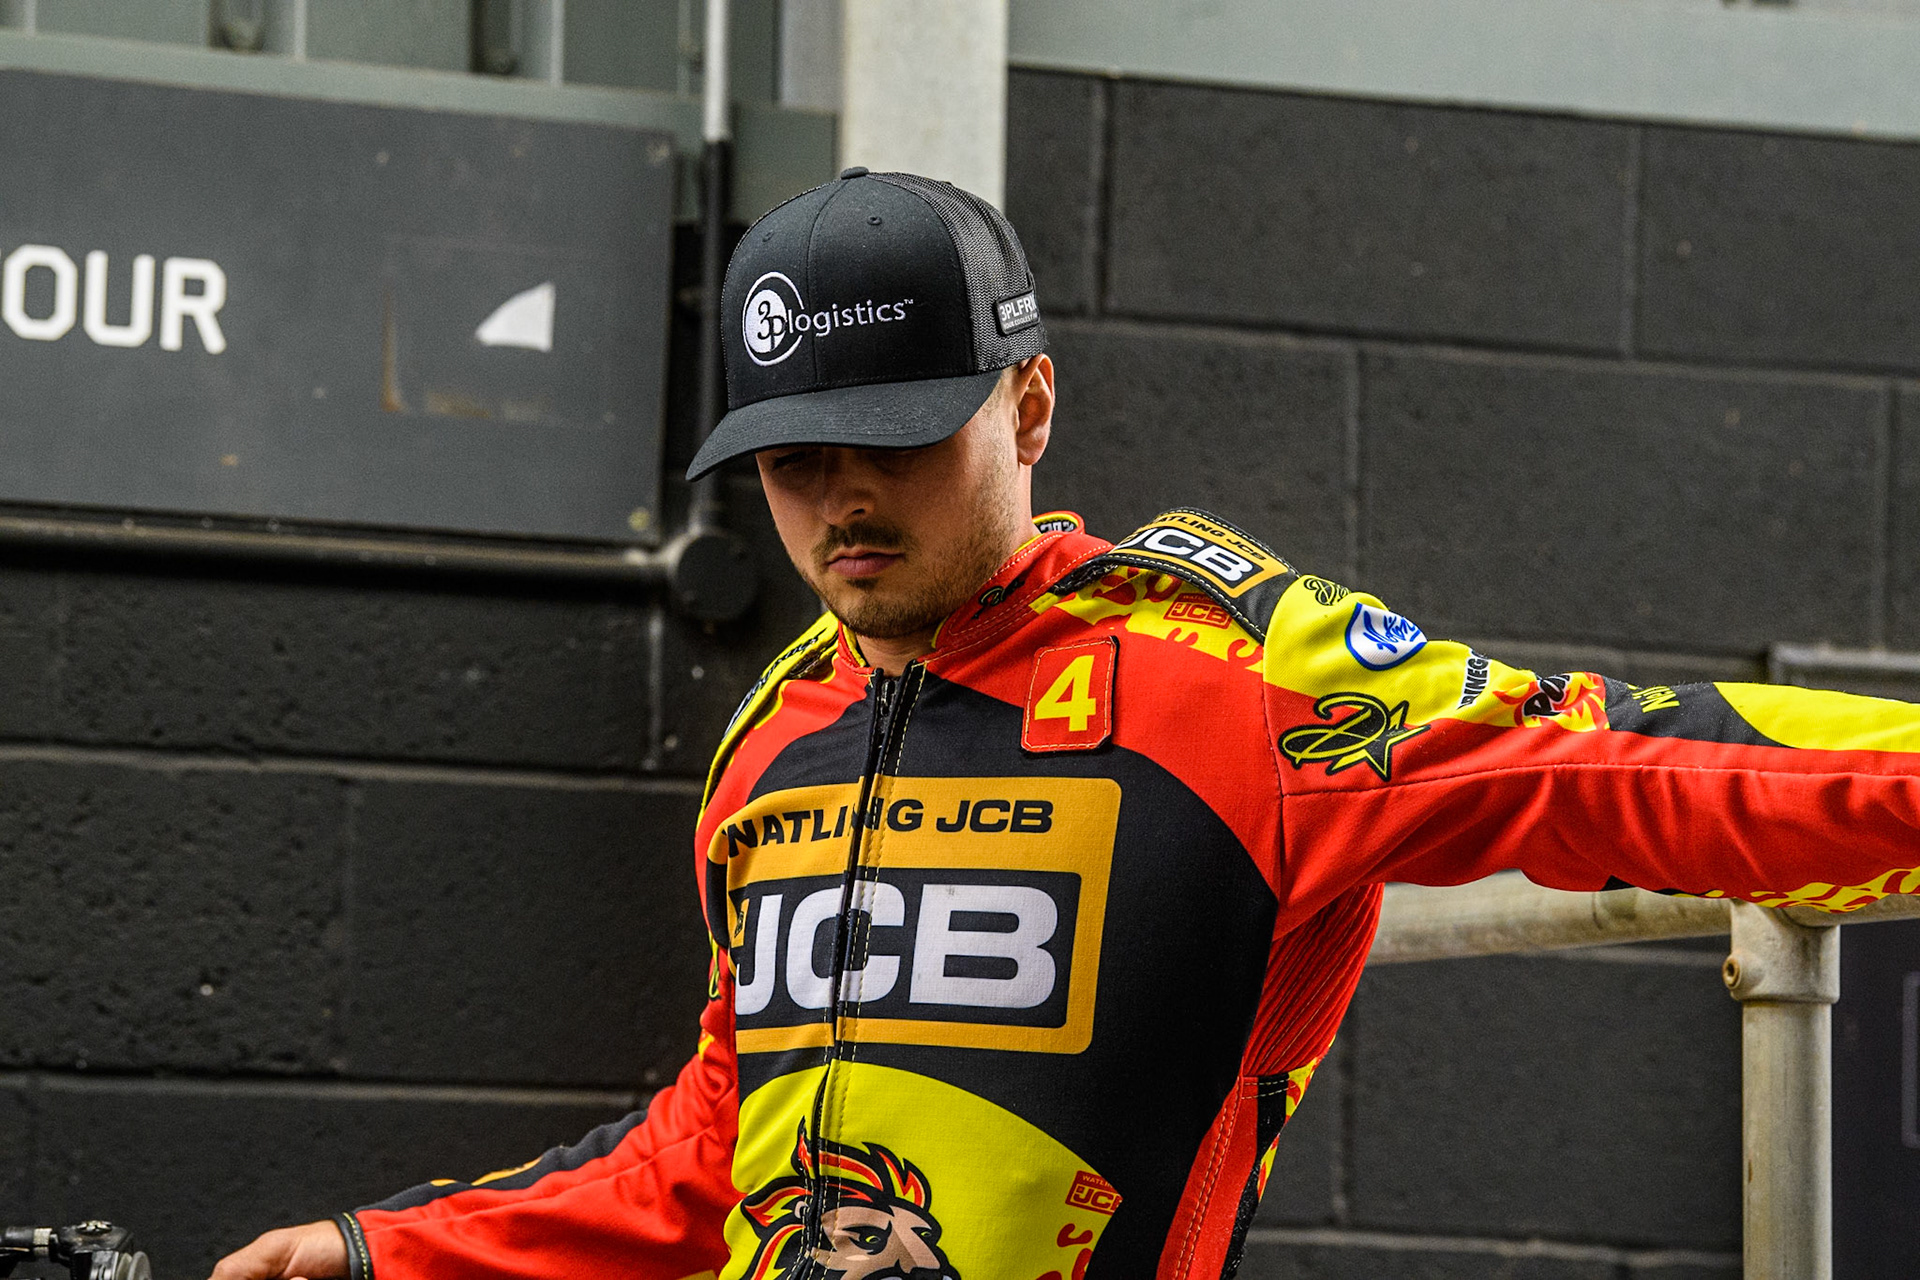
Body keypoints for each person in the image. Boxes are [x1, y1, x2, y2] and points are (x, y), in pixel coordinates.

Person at [210, 168, 1920, 1280]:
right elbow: (712, 1151)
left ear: (1030, 404)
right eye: (794, 457)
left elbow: (1640, 766)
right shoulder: (771, 738)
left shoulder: (1228, 676)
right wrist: (382, 1253)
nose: (842, 500)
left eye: (898, 436)